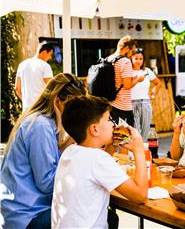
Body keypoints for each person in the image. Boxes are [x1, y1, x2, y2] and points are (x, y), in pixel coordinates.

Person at [1, 73, 86, 229]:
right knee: (97, 214)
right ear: (57, 102)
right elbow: (46, 183)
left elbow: (54, 158)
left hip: (23, 209)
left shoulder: (43, 121)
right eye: (72, 107)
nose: (76, 113)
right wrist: (81, 175)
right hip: (26, 216)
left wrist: (74, 135)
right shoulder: (40, 126)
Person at [51, 95, 148, 228]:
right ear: (94, 129)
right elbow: (140, 196)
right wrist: (139, 150)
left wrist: (111, 146)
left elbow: (96, 170)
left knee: (112, 218)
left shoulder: (70, 151)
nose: (113, 125)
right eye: (109, 120)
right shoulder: (98, 159)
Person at [107, 35, 144, 127]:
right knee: (126, 138)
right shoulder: (125, 62)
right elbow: (127, 86)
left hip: (109, 104)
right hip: (122, 106)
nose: (132, 54)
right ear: (127, 48)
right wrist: (137, 80)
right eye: (132, 51)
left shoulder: (109, 59)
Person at [131, 48, 161, 140]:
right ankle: (135, 152)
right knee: (135, 131)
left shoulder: (147, 71)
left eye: (141, 59)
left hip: (145, 103)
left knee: (145, 130)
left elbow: (158, 83)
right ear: (131, 58)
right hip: (131, 103)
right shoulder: (128, 71)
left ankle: (144, 151)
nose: (138, 61)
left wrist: (153, 94)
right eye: (136, 58)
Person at [15, 41, 54, 111]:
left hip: (26, 110)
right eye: (50, 54)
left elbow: (17, 88)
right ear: (45, 52)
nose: (50, 58)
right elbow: (52, 88)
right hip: (40, 109)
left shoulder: (22, 64)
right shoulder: (45, 66)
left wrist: (26, 102)